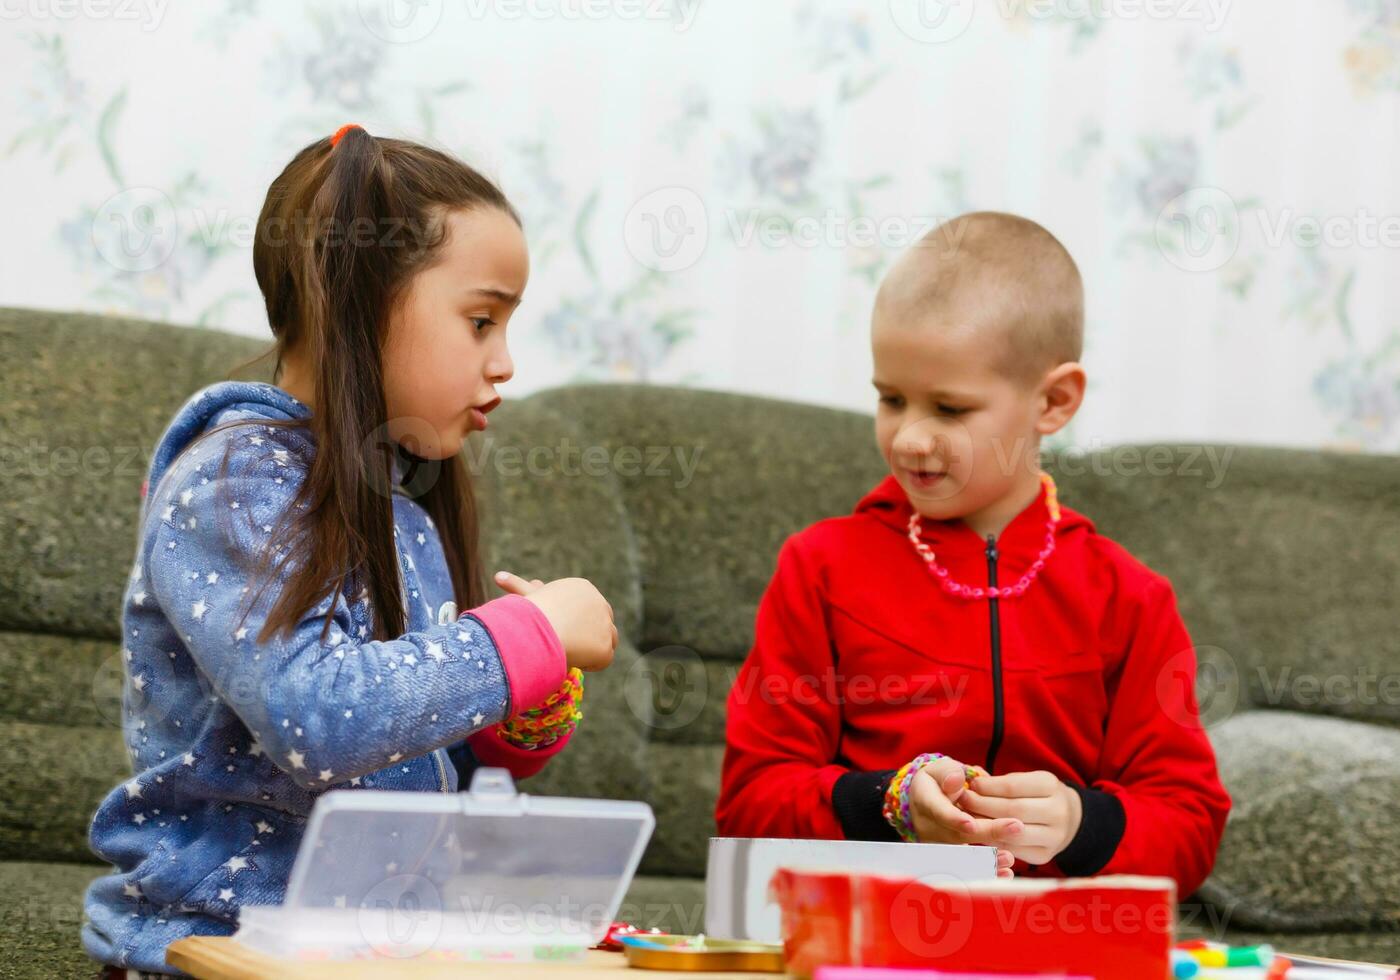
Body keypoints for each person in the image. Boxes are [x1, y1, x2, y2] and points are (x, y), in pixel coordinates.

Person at [82, 124, 619, 977]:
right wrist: (526, 639)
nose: (506, 362)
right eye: (481, 320)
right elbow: (321, 721)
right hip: (217, 943)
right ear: (357, 301)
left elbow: (406, 751)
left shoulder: (399, 505)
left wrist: (517, 712)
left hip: (371, 940)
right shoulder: (234, 482)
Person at [716, 211, 1231, 896]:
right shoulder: (821, 568)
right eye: (891, 399)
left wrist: (1082, 822)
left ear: (1054, 401)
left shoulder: (1128, 597)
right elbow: (748, 806)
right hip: (866, 931)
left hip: (1060, 946)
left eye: (950, 410)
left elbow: (1190, 826)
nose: (909, 439)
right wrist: (889, 801)